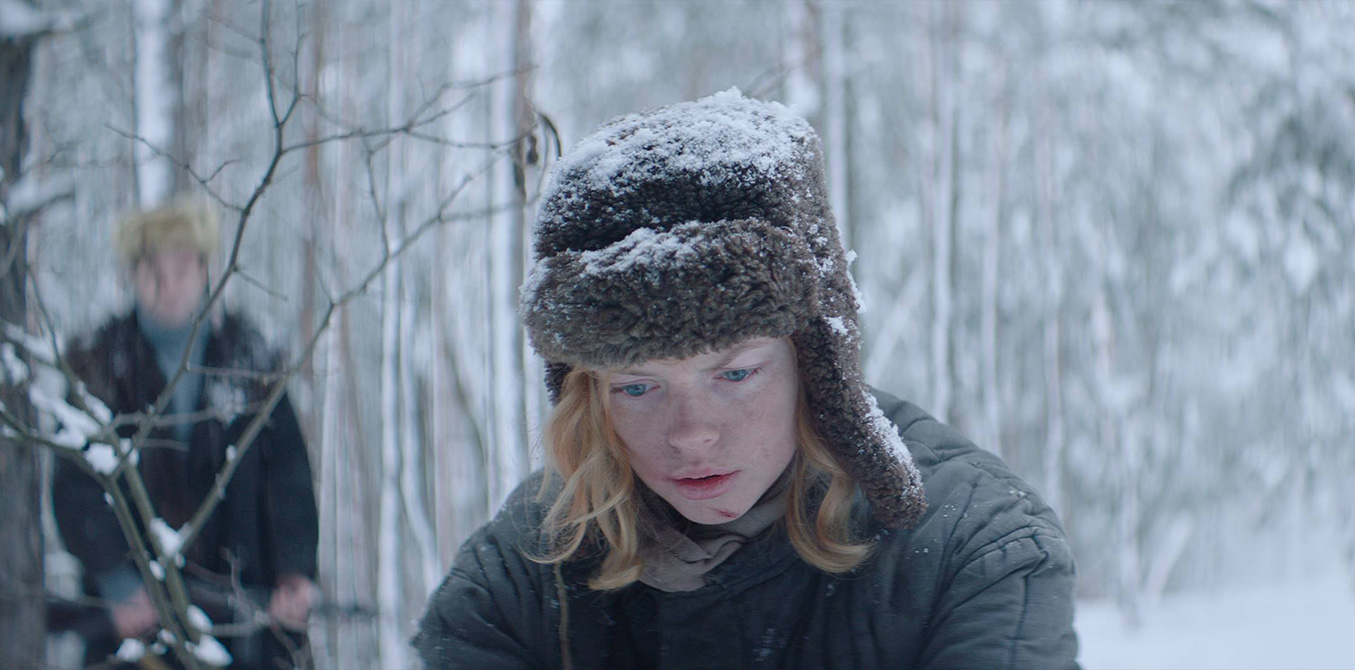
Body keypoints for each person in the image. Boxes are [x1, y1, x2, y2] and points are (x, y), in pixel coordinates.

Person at [414, 90, 1079, 669]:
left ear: (815, 366)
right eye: (636, 386)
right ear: (586, 395)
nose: (690, 435)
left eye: (734, 373)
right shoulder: (525, 574)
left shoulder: (973, 549)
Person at [51, 198, 320, 668]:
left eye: (181, 268)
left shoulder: (252, 361)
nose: (169, 285)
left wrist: (293, 572)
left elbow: (288, 475)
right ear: (132, 273)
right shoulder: (98, 364)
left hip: (242, 626)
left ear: (204, 268)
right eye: (153, 270)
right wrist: (117, 581)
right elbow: (75, 484)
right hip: (134, 631)